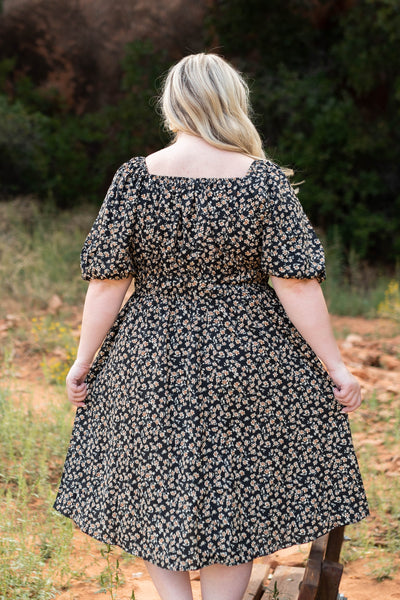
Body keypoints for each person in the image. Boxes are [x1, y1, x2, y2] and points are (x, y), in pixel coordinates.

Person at [53, 53, 369, 600]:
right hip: (248, 356)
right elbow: (296, 284)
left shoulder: (134, 178)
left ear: (172, 104)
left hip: (148, 356)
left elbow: (107, 283)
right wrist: (335, 368)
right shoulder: (263, 181)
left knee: (158, 492)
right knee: (233, 502)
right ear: (231, 102)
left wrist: (83, 363)